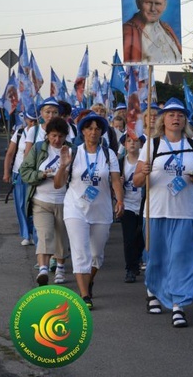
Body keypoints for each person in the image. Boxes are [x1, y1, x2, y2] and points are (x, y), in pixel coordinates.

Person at [133, 98, 193, 327]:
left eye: (180, 115)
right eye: (172, 115)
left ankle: (177, 305)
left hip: (184, 212)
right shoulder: (152, 145)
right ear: (163, 120)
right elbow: (135, 181)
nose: (176, 118)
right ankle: (152, 292)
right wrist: (142, 172)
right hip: (155, 212)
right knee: (157, 258)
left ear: (185, 120)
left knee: (180, 259)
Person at [54, 113, 125, 310]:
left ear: (102, 131)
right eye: (89, 128)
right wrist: (63, 166)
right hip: (75, 208)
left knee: (97, 255)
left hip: (101, 209)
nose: (93, 132)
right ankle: (84, 295)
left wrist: (120, 200)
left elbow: (116, 180)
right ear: (83, 131)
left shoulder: (108, 154)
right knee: (80, 253)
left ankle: (89, 280)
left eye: (97, 128)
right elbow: (58, 184)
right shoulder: (73, 153)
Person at [20, 117, 73, 286]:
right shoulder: (38, 149)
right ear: (48, 135)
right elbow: (25, 171)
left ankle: (60, 267)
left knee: (61, 236)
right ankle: (43, 269)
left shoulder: (73, 151)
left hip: (65, 201)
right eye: (53, 136)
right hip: (41, 200)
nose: (57, 140)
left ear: (66, 136)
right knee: (44, 234)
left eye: (61, 136)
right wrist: (42, 175)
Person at [123, 0, 182, 64]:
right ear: (138, 3)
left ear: (164, 6)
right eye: (148, 3)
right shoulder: (129, 31)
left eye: (158, 4)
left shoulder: (167, 28)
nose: (153, 9)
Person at [3, 109, 37, 245]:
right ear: (26, 120)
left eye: (36, 120)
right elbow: (10, 154)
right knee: (22, 204)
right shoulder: (19, 133)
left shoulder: (41, 133)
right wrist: (6, 172)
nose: (33, 123)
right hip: (19, 173)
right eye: (31, 120)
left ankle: (36, 233)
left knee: (35, 205)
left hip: (35, 174)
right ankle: (26, 233)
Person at [119, 134, 145, 283]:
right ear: (125, 144)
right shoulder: (121, 162)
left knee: (140, 235)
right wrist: (118, 182)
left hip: (142, 202)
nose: (132, 144)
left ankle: (137, 260)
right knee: (128, 238)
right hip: (127, 203)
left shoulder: (145, 161)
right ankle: (130, 268)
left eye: (136, 141)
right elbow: (113, 184)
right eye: (129, 141)